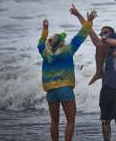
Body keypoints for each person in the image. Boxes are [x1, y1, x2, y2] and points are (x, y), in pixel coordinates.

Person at [70, 4, 116, 141]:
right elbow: (89, 30)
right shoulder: (100, 47)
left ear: (112, 35)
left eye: (105, 33)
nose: (102, 35)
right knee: (105, 120)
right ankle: (106, 140)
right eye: (101, 33)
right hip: (106, 88)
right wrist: (78, 14)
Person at [37, 9, 97, 141]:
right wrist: (89, 21)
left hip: (51, 91)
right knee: (70, 121)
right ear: (61, 43)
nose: (64, 41)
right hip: (65, 90)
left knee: (54, 122)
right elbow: (81, 35)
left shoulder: (44, 52)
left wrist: (45, 30)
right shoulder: (68, 50)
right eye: (63, 40)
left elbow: (41, 44)